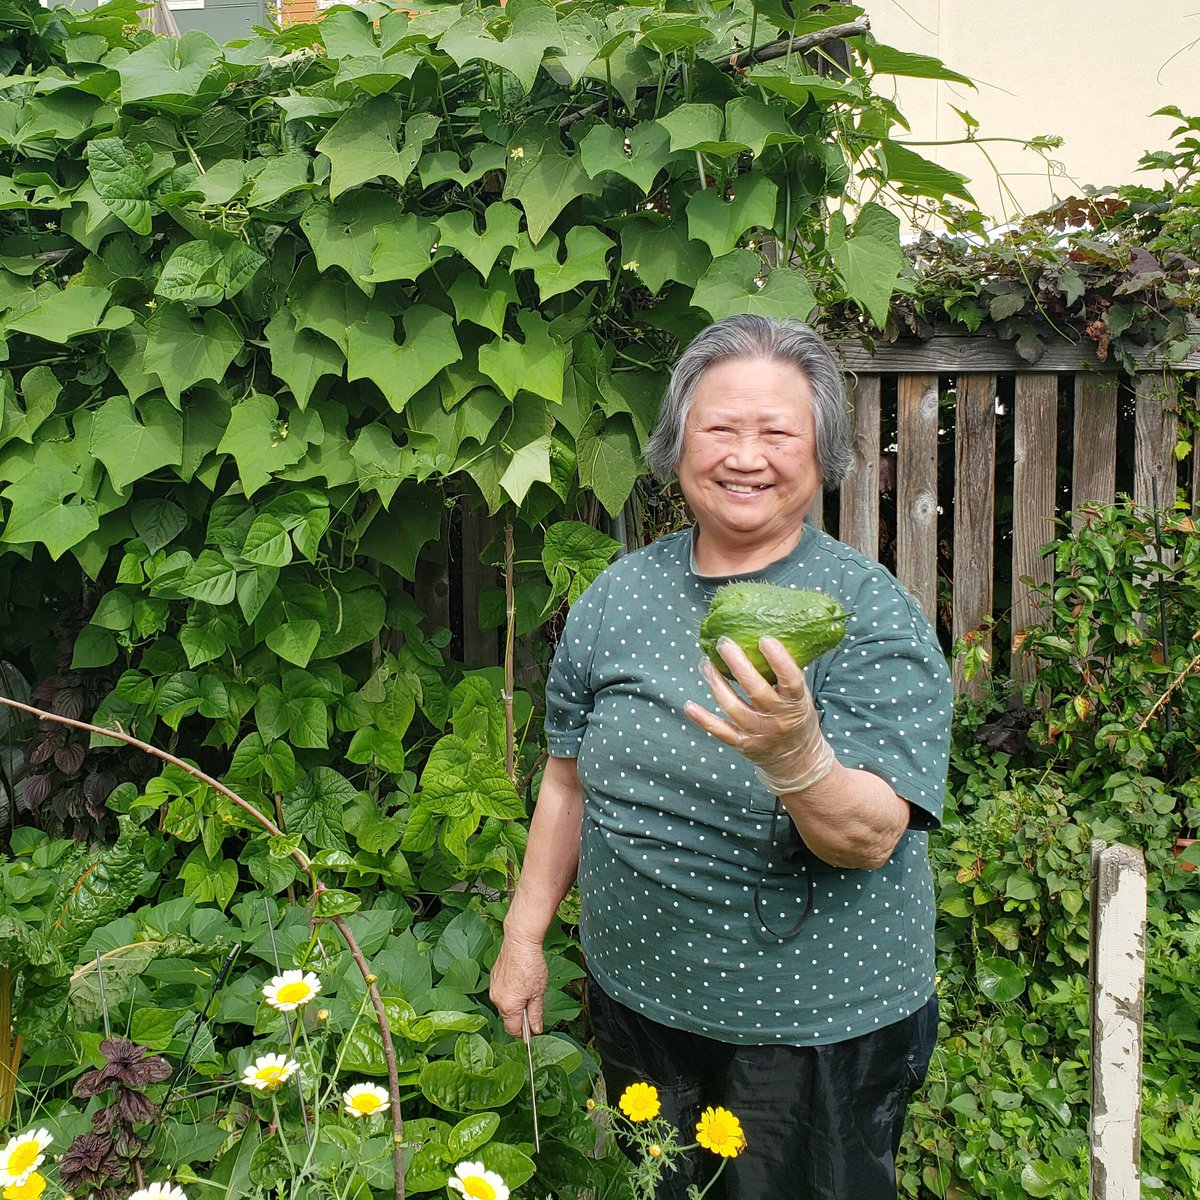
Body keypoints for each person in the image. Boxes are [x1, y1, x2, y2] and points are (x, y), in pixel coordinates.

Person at [489, 314, 952, 1199]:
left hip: (810, 1035)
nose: (747, 455)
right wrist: (524, 936)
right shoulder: (617, 595)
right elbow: (565, 781)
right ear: (676, 447)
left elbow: (869, 839)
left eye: (777, 431)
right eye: (720, 428)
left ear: (823, 454)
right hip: (641, 1009)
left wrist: (799, 758)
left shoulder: (866, 613)